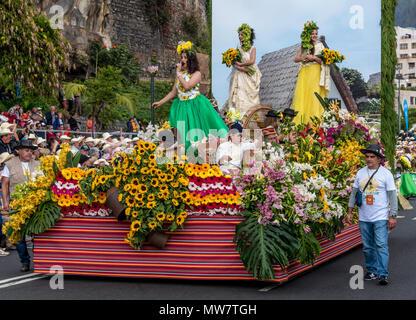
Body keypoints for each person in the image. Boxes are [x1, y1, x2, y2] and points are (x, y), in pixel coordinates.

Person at [152, 41, 228, 152]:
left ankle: (202, 152)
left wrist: (178, 73)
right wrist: (160, 102)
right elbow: (173, 92)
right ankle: (185, 155)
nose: (182, 60)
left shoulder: (197, 74)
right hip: (182, 107)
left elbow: (187, 86)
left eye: (185, 57)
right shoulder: (180, 75)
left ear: (191, 60)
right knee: (183, 134)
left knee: (197, 130)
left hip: (195, 105)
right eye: (182, 57)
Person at [347, 144, 397, 286]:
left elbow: (392, 196)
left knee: (381, 244)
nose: (369, 159)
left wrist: (392, 215)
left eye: (372, 157)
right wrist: (350, 212)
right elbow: (354, 193)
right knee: (368, 247)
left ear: (379, 159)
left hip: (380, 216)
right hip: (364, 217)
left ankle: (383, 274)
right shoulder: (360, 173)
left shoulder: (386, 174)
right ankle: (372, 270)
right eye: (367, 157)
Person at [2, 140, 40, 271]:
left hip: (36, 204)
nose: (29, 153)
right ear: (18, 151)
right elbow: (5, 184)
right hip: (17, 204)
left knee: (38, 234)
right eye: (26, 150)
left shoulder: (37, 164)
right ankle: (25, 261)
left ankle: (39, 261)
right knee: (19, 236)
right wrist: (6, 202)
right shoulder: (10, 164)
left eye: (31, 150)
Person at [292, 21, 330, 125]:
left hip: (316, 72)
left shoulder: (321, 46)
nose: (314, 36)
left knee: (314, 96)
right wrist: (305, 57)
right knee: (304, 96)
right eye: (312, 34)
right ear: (308, 35)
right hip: (305, 73)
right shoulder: (305, 45)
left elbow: (324, 61)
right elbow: (296, 59)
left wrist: (313, 57)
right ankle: (303, 123)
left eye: (316, 34)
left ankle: (315, 123)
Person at [223, 24, 262, 116]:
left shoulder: (253, 48)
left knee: (249, 96)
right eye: (239, 35)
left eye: (241, 35)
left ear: (247, 36)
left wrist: (241, 64)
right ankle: (238, 117)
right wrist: (233, 62)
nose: (240, 37)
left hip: (249, 74)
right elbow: (235, 61)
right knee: (238, 95)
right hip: (239, 74)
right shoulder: (238, 49)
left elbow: (252, 61)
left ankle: (250, 117)